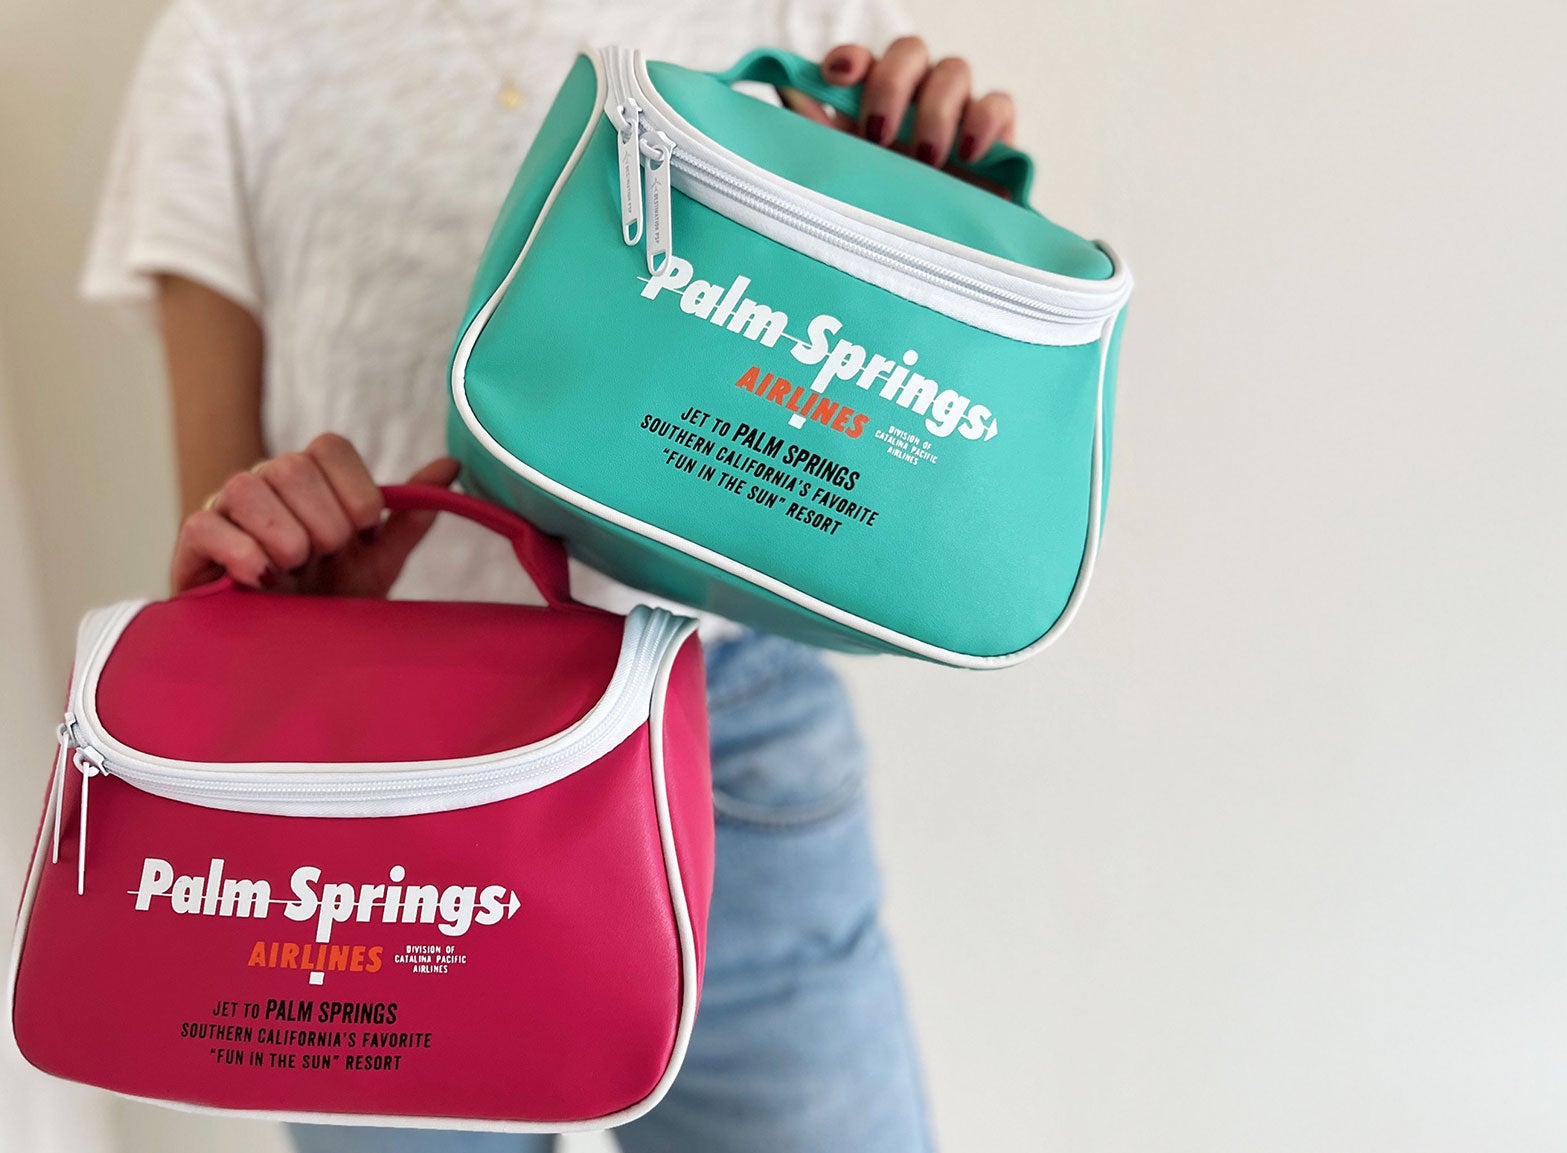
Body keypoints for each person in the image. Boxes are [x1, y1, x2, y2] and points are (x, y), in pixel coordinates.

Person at [82, 2, 1022, 1150]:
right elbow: (212, 549)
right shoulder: (226, 43)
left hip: (722, 735)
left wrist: (928, 253)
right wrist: (260, 583)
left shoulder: (792, 15)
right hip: (370, 788)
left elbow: (875, 460)